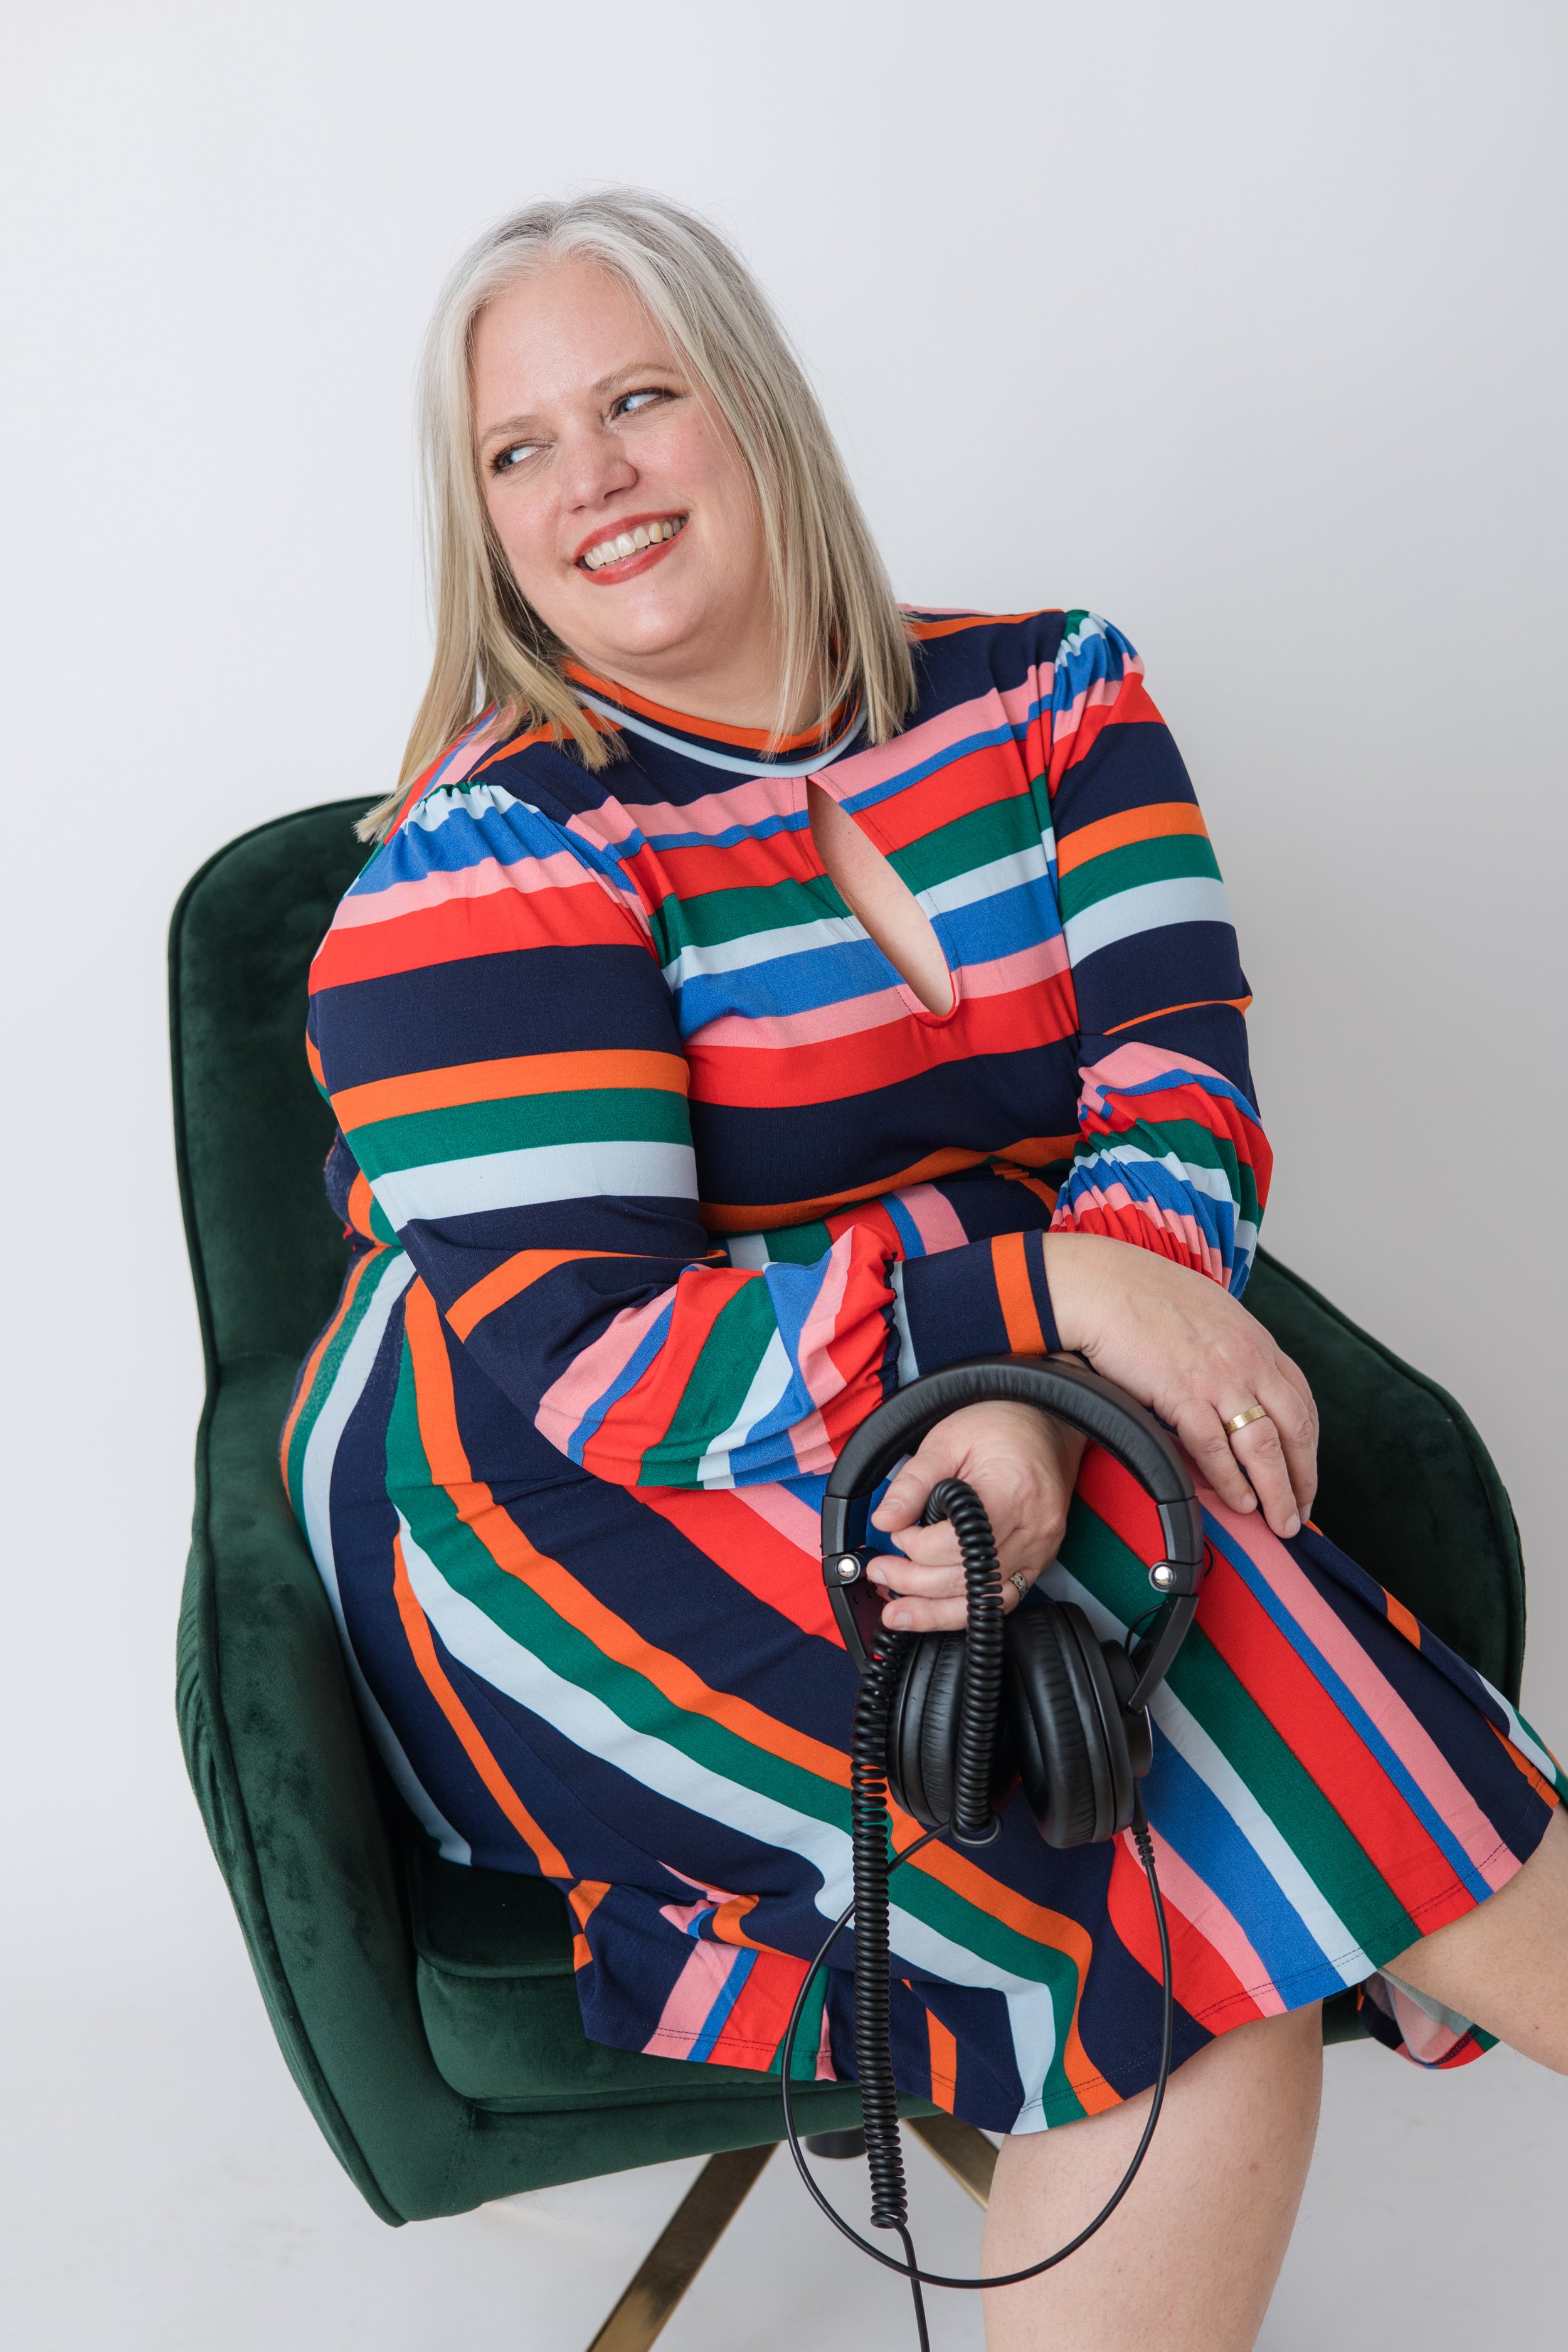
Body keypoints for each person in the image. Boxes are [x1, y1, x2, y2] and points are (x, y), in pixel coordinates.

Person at [284, 189, 1568, 2348]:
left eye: (634, 398)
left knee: (1182, 1855)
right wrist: (1045, 1312)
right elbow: (598, 1369)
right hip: (575, 1502)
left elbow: (1176, 1099)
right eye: (517, 448)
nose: (586, 474)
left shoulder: (1051, 696)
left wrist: (1029, 1389)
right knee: (1197, 1797)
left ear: (752, 409)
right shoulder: (490, 863)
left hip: (938, 1400)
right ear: (478, 518)